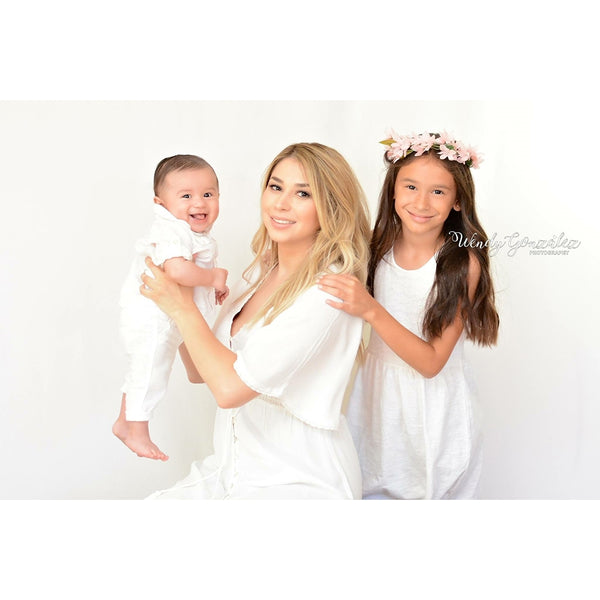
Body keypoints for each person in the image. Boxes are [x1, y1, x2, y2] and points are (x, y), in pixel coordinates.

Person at [139, 142, 371, 499]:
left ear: (331, 207)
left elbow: (230, 390)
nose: (280, 203)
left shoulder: (328, 291)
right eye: (276, 187)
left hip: (298, 481)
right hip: (231, 469)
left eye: (303, 193)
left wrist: (183, 308)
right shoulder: (260, 274)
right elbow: (201, 370)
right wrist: (183, 295)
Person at [318, 131, 499, 499]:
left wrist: (371, 310)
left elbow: (431, 363)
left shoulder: (462, 263)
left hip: (432, 408)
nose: (421, 201)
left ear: (458, 201)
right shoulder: (377, 244)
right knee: (366, 486)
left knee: (425, 490)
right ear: (393, 191)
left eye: (438, 191)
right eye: (411, 187)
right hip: (377, 398)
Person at [113, 154, 229, 462]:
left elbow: (191, 274)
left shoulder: (192, 232)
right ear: (161, 204)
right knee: (151, 368)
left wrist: (211, 284)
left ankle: (125, 420)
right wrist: (213, 277)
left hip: (169, 315)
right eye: (186, 196)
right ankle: (135, 428)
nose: (199, 203)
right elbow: (178, 271)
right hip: (152, 315)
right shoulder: (170, 230)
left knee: (148, 364)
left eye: (208, 194)